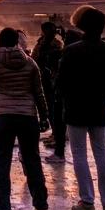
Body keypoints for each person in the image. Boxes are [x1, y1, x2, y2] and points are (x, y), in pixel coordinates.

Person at [58, 6, 105, 210]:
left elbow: (61, 83)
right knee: (102, 154)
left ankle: (87, 202)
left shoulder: (71, 51)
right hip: (98, 107)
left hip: (76, 108)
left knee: (79, 154)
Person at [0, 27, 50, 210]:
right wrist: (44, 116)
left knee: (2, 162)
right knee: (32, 160)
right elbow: (39, 93)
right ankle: (40, 203)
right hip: (27, 116)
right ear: (17, 42)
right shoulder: (30, 63)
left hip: (3, 116)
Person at [32, 22, 67, 163]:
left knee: (53, 110)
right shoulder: (49, 43)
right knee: (51, 108)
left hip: (49, 80)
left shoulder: (53, 44)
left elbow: (40, 59)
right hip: (46, 79)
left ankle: (57, 135)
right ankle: (56, 134)